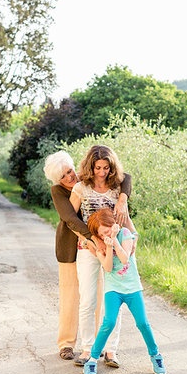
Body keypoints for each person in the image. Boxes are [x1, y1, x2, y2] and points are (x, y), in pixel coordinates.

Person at [43, 150, 131, 360]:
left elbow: (125, 177)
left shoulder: (87, 175)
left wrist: (123, 198)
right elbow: (70, 219)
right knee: (72, 297)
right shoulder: (59, 191)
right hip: (73, 245)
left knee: (99, 296)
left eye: (70, 171)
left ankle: (98, 344)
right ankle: (66, 344)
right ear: (58, 180)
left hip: (98, 243)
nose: (69, 177)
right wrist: (93, 241)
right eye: (64, 176)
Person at [70, 145, 137, 367]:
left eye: (106, 168)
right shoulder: (80, 188)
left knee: (114, 302)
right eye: (98, 167)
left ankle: (111, 350)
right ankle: (88, 348)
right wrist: (90, 240)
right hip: (89, 248)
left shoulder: (118, 190)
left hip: (115, 247)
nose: (102, 172)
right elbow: (71, 220)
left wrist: (133, 237)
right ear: (91, 166)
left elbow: (124, 218)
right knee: (88, 300)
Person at [83, 208, 166, 374]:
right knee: (109, 322)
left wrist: (114, 240)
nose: (106, 233)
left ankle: (156, 356)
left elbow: (124, 258)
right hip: (113, 288)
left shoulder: (125, 233)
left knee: (143, 323)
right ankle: (92, 361)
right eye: (102, 233)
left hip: (132, 287)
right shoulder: (100, 245)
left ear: (113, 224)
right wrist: (106, 244)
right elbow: (107, 268)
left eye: (108, 229)